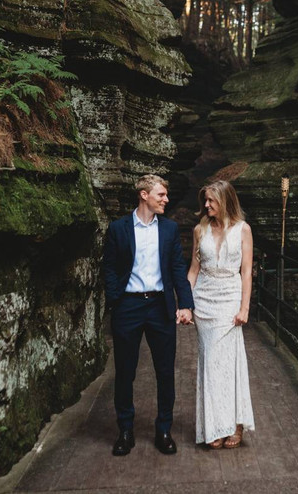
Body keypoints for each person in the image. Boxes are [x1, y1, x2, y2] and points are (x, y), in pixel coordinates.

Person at [102, 174, 195, 456]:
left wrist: (186, 304)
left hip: (160, 307)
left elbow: (178, 269)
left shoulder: (168, 229)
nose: (166, 199)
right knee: (125, 372)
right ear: (144, 195)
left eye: (165, 195)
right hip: (128, 307)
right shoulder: (118, 228)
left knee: (165, 371)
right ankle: (125, 430)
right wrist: (116, 298)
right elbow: (108, 268)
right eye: (161, 195)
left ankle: (163, 429)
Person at [187, 179, 255, 449]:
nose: (206, 205)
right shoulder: (199, 229)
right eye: (205, 200)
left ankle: (236, 425)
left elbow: (246, 272)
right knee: (210, 364)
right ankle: (214, 426)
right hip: (203, 301)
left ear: (226, 201)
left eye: (211, 201)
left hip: (229, 300)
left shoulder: (243, 230)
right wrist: (183, 302)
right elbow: (193, 270)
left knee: (229, 364)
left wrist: (244, 308)